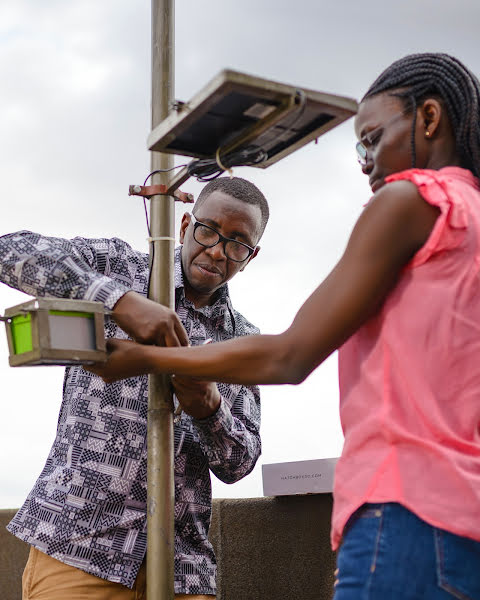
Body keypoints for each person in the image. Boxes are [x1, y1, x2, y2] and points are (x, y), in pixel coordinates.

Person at [89, 53, 480, 599]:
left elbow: (289, 356)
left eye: (371, 138)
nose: (364, 161)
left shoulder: (409, 201)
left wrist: (145, 358)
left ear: (430, 119)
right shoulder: (471, 216)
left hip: (406, 507)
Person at [0, 175, 269, 600]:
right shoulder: (119, 267)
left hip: (184, 568)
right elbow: (9, 250)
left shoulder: (243, 341)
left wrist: (208, 406)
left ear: (250, 256)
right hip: (79, 545)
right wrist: (119, 300)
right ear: (184, 225)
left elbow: (240, 463)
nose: (217, 250)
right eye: (208, 231)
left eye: (237, 243)